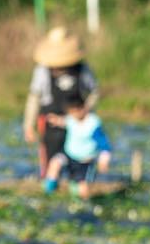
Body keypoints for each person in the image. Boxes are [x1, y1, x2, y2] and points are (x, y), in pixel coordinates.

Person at [22, 27, 99, 179]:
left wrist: (86, 111)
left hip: (76, 123)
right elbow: (34, 98)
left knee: (78, 158)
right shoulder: (42, 71)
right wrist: (28, 125)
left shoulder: (82, 69)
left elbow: (94, 91)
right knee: (51, 161)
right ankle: (51, 185)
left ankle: (76, 183)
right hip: (50, 122)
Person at [42, 95, 111, 198]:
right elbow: (65, 121)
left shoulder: (92, 124)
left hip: (85, 162)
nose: (73, 115)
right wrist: (55, 120)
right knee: (54, 163)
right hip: (69, 155)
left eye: (75, 112)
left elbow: (104, 144)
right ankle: (48, 192)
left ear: (83, 108)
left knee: (83, 190)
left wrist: (103, 159)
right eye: (71, 112)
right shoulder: (71, 118)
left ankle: (83, 203)